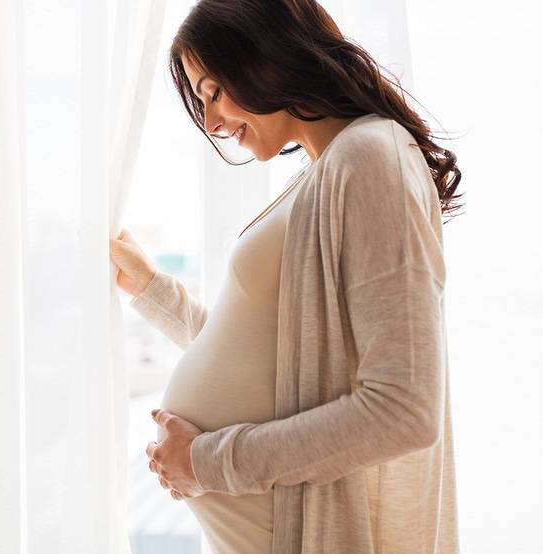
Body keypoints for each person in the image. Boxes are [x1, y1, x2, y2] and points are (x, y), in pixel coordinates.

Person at [109, 0, 463, 552]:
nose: (211, 122)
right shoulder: (328, 169)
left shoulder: (371, 159)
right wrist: (153, 292)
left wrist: (206, 463)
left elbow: (404, 411)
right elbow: (275, 358)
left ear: (263, 55)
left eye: (213, 91)